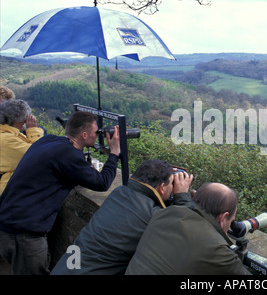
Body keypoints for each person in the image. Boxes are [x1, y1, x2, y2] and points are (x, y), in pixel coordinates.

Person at [0, 111, 120, 275]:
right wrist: (114, 152)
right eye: (96, 131)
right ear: (84, 135)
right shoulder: (68, 155)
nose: (97, 134)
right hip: (23, 233)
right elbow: (102, 183)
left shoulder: (49, 141)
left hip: (8, 223)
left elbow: (60, 170)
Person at [50, 159, 194, 275]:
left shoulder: (119, 192)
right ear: (162, 188)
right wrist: (182, 196)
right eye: (171, 185)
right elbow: (185, 231)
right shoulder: (153, 217)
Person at [125, 182, 251, 275]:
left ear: (193, 197)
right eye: (231, 221)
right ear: (223, 217)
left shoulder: (164, 213)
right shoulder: (217, 249)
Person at [0, 99, 44, 194]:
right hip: (8, 194)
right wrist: (33, 131)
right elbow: (39, 156)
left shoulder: (8, 134)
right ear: (19, 119)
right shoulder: (8, 139)